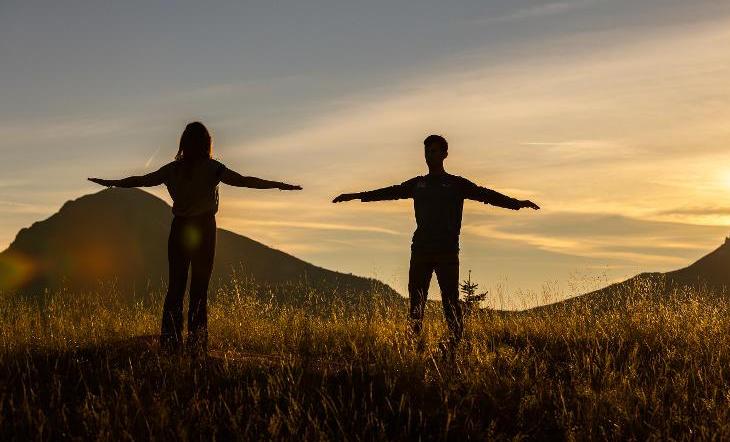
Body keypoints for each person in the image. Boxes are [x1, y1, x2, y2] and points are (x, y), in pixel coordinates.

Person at [89, 122, 301, 351]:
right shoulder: (213, 168)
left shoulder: (172, 170)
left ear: (183, 143)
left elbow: (140, 180)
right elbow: (244, 181)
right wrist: (279, 185)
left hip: (179, 229)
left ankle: (170, 342)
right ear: (207, 143)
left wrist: (112, 183)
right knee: (199, 288)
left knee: (175, 287)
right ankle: (197, 345)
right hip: (204, 229)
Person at [333, 134, 539, 348]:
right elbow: (390, 192)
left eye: (433, 151)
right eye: (427, 151)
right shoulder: (418, 184)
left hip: (447, 252)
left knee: (450, 303)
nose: (429, 155)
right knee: (416, 304)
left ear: (444, 154)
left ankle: (455, 346)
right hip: (420, 251)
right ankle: (413, 347)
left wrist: (516, 203)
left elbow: (485, 194)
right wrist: (356, 196)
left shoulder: (456, 184)